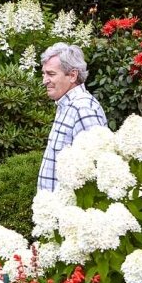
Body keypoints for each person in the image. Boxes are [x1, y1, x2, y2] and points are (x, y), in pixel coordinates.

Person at [37, 42, 107, 191]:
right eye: (44, 74)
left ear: (73, 75)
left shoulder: (83, 109)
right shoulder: (66, 106)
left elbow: (95, 170)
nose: (44, 81)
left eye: (51, 74)